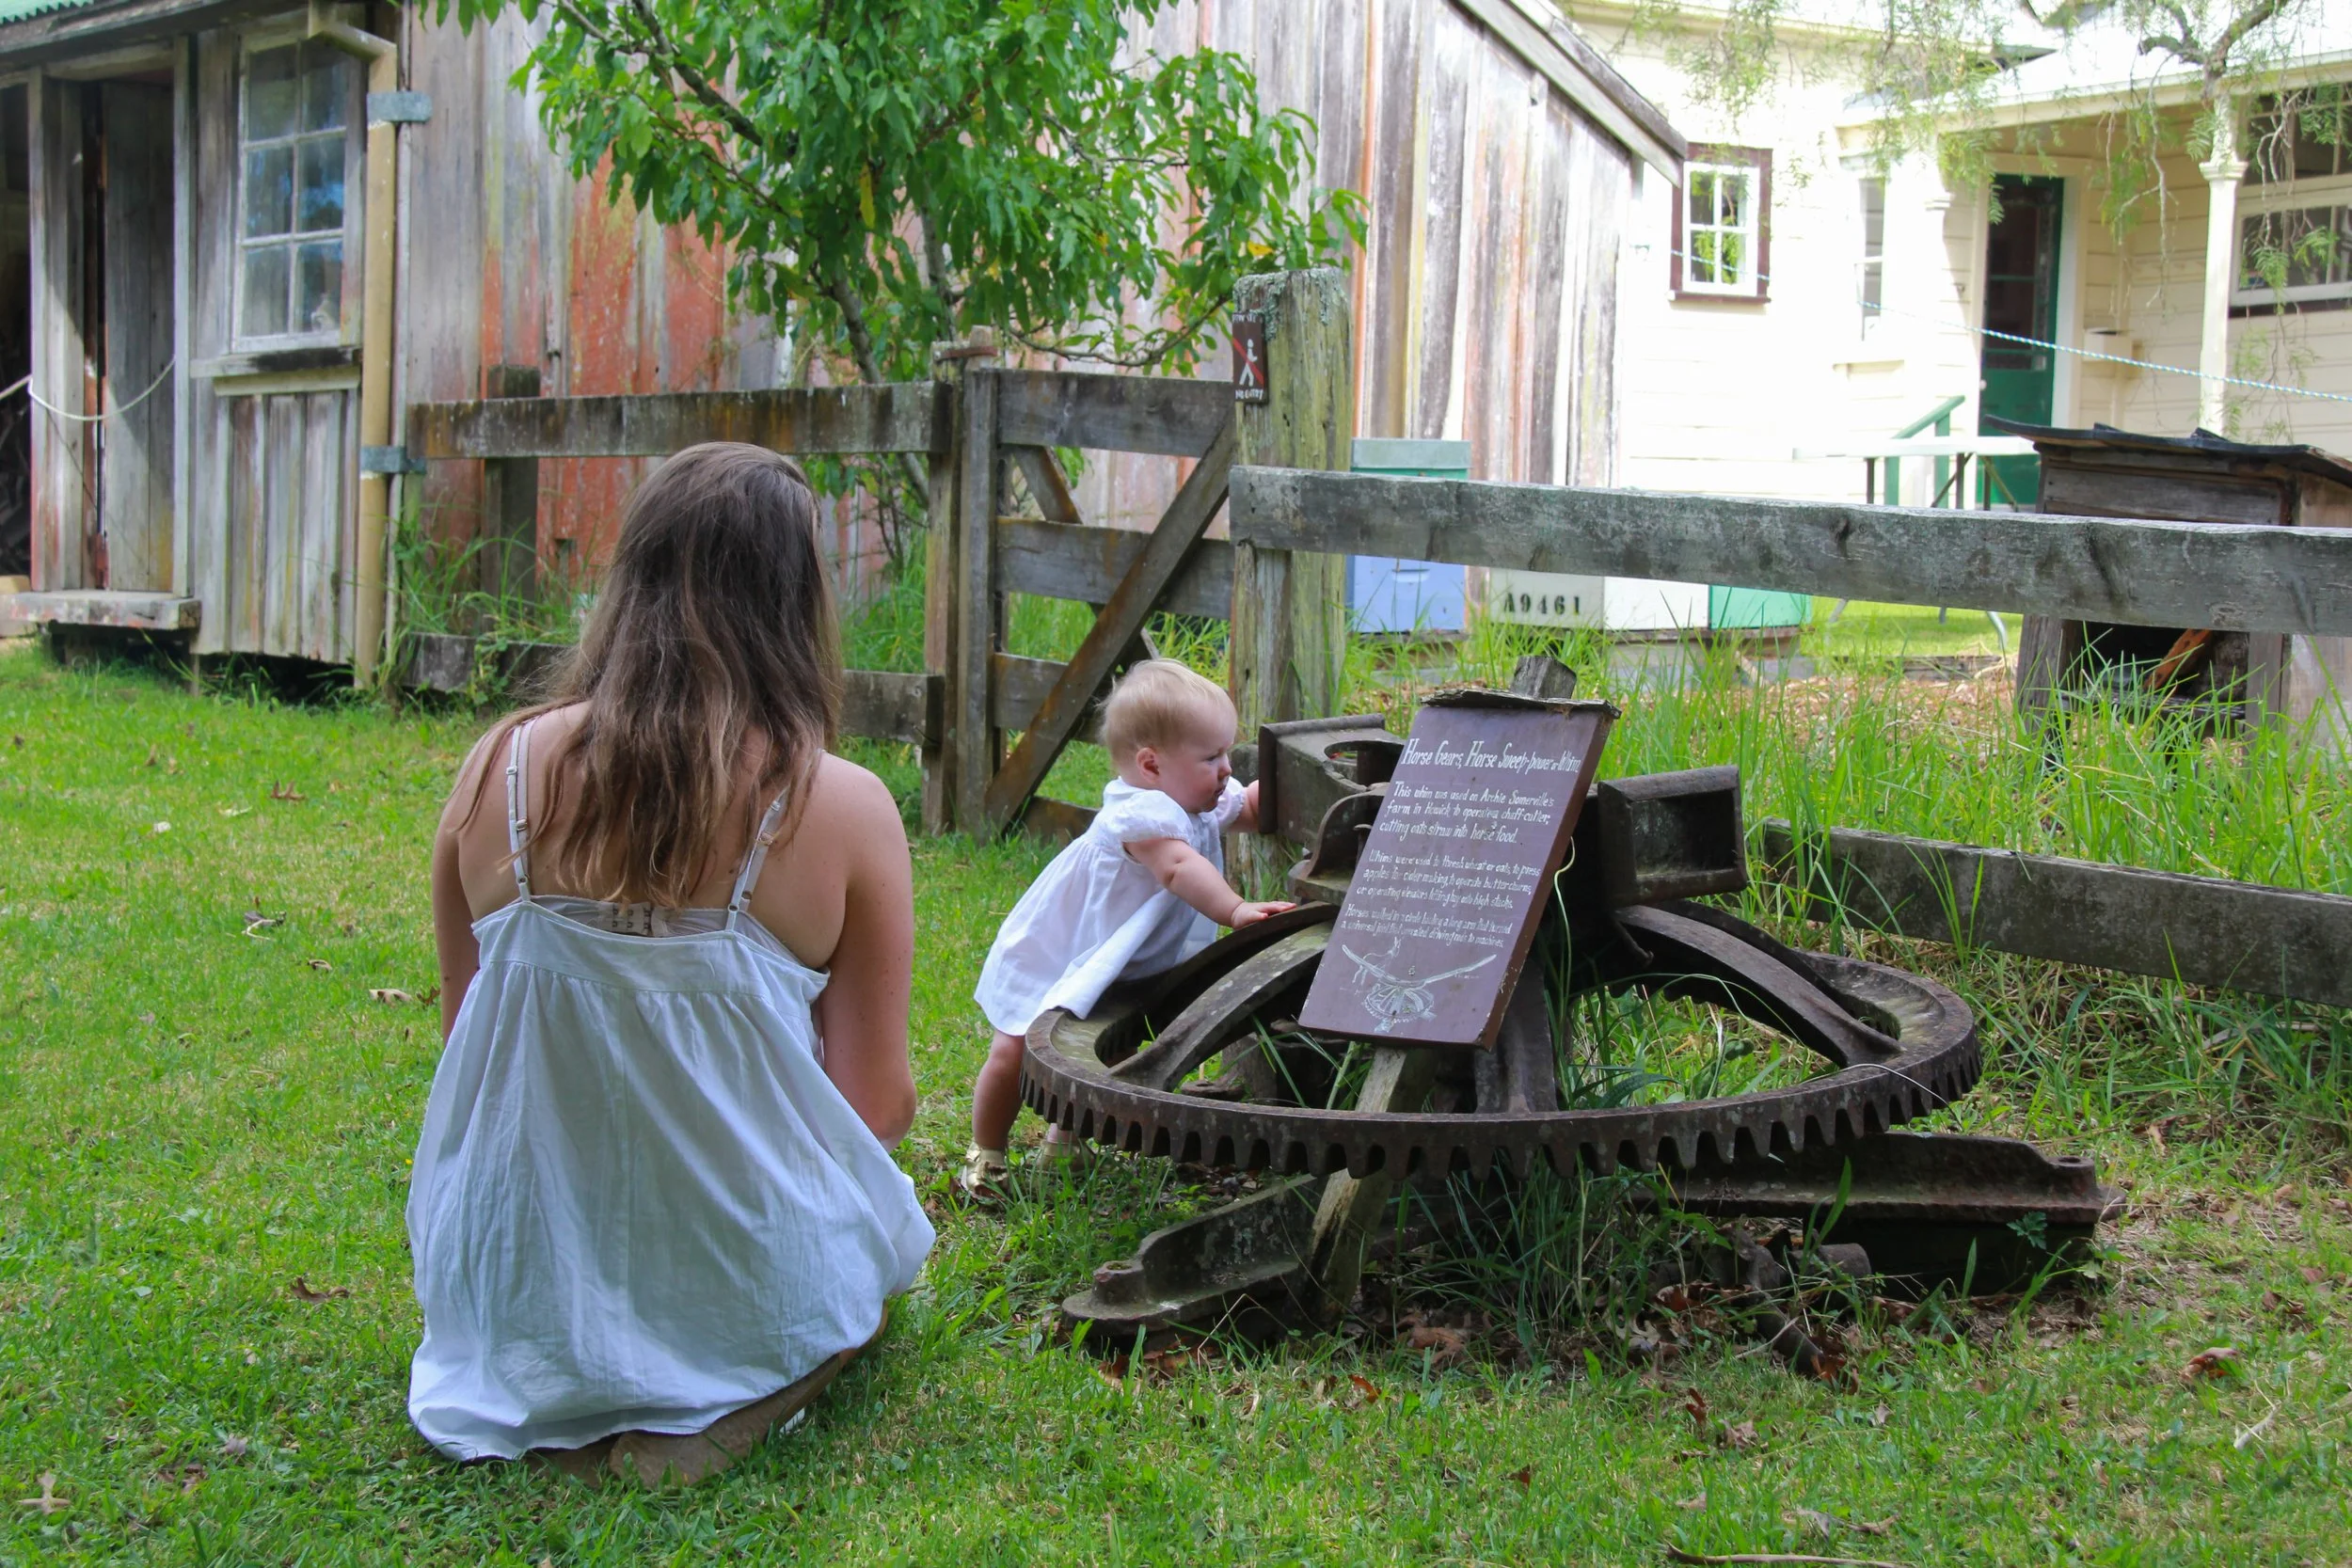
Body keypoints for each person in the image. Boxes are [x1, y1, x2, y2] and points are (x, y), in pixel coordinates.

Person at [410, 443, 933, 1486]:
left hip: (512, 1271)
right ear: (797, 603)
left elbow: (467, 1045)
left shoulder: (496, 768)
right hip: (737, 1268)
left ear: (630, 577)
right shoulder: (842, 805)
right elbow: (875, 1103)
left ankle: (564, 1387)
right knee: (875, 1271)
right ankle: (731, 1403)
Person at [961, 658, 1290, 1199]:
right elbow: (1179, 869)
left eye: (1227, 753)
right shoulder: (1141, 815)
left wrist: (1287, 789)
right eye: (1212, 757)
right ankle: (987, 1151)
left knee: (1105, 1048)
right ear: (1151, 765)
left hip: (1118, 960)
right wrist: (1234, 911)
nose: (1227, 768)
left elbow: (1251, 807)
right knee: (1016, 1048)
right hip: (1063, 949)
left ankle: (1062, 1141)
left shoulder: (1195, 799)